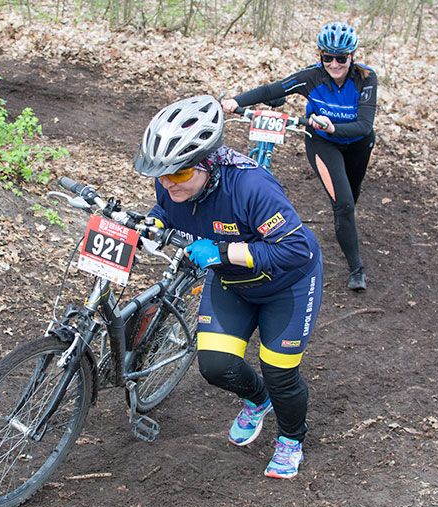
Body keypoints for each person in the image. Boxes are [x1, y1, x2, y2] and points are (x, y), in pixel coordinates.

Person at [133, 94, 323, 479]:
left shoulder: (251, 187)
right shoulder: (170, 184)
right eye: (162, 174)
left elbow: (296, 249)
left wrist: (225, 250)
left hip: (288, 285)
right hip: (234, 283)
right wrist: (153, 223)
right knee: (216, 366)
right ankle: (258, 400)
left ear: (207, 165)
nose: (169, 184)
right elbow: (167, 210)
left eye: (180, 174)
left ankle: (291, 439)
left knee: (279, 371)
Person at [222, 21, 377, 291]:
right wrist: (237, 101)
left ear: (352, 56)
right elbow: (274, 90)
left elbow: (364, 125)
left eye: (341, 58)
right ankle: (357, 269)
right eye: (327, 57)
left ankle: (345, 218)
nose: (334, 64)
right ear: (321, 56)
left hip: (358, 144)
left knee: (351, 194)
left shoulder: (365, 78)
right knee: (343, 205)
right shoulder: (312, 76)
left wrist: (333, 126)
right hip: (323, 143)